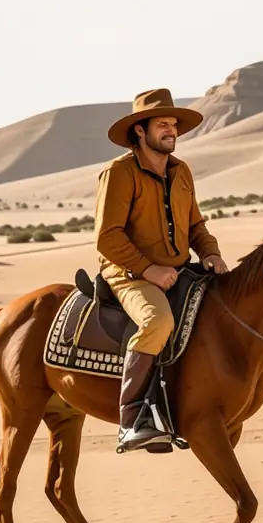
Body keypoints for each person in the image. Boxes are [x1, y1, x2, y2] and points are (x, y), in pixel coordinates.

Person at [95, 88, 229, 452]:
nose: (171, 130)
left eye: (173, 124)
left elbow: (196, 225)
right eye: (162, 124)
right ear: (140, 130)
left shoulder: (181, 171)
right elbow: (107, 238)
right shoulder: (120, 173)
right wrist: (148, 269)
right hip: (128, 274)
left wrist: (211, 253)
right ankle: (132, 419)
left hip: (177, 268)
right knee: (158, 321)